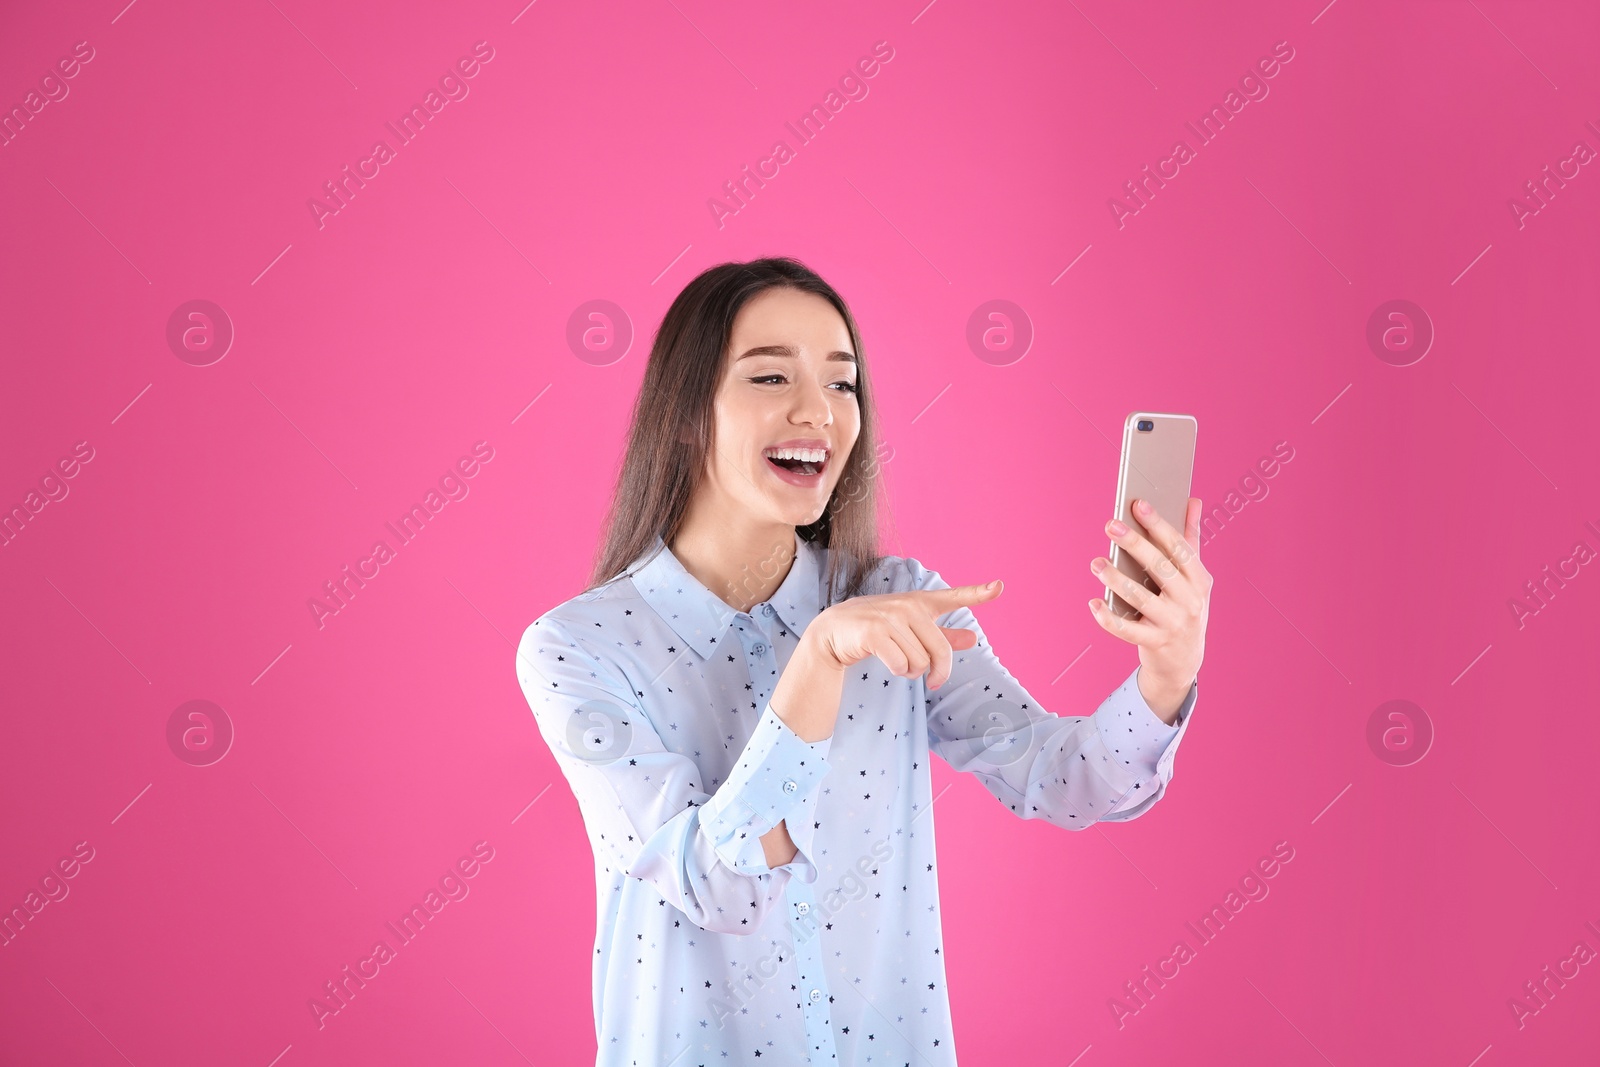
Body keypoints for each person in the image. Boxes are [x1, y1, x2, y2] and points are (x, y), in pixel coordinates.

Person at [514, 256, 1212, 1066]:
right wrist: (817, 660)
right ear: (684, 414)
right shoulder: (578, 648)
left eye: (842, 384)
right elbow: (720, 884)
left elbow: (1065, 777)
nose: (818, 411)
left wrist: (1167, 670)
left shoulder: (898, 600)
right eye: (771, 377)